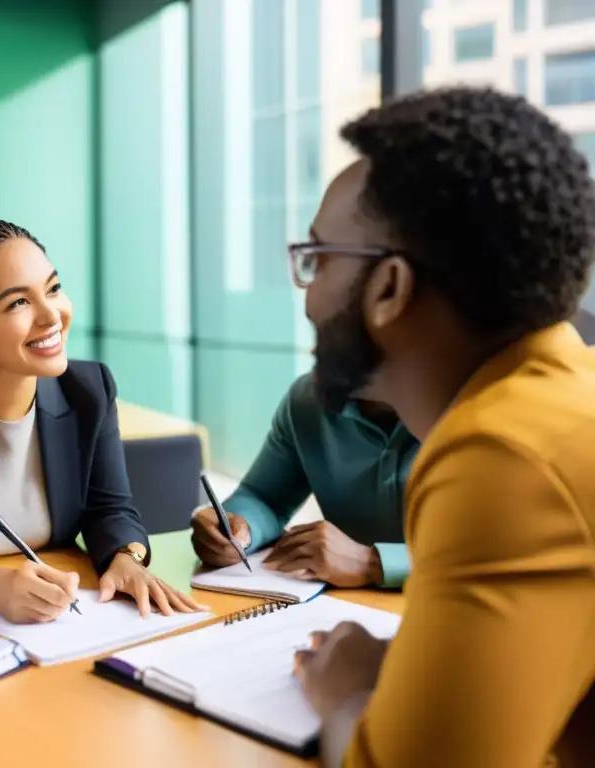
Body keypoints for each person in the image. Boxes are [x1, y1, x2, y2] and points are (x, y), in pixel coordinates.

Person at [290, 87, 595, 767]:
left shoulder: (502, 455)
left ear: (390, 288)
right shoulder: (568, 398)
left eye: (318, 259)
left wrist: (348, 694)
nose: (307, 294)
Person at [0, 217, 202, 622]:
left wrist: (126, 558)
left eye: (53, 289)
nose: (52, 316)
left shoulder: (89, 389)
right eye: (18, 302)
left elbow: (110, 508)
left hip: (52, 618)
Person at [191, 375, 417, 588]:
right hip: (338, 608)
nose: (313, 349)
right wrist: (238, 531)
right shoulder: (309, 398)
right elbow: (265, 497)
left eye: (337, 333)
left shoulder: (451, 412)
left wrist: (372, 563)